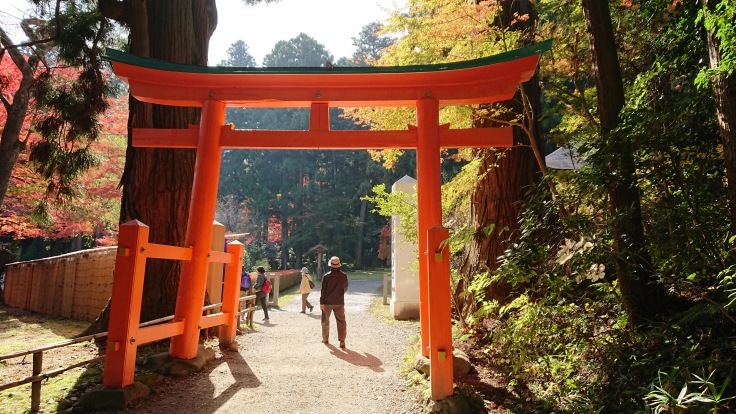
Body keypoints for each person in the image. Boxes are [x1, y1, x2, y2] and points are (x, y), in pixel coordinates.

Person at [320, 256, 349, 349]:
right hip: (339, 301)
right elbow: (345, 288)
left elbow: (323, 290)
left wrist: (321, 302)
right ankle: (342, 339)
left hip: (327, 301)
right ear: (339, 265)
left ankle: (325, 338)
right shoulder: (343, 276)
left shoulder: (326, 276)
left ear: (330, 266)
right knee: (341, 321)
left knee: (325, 320)